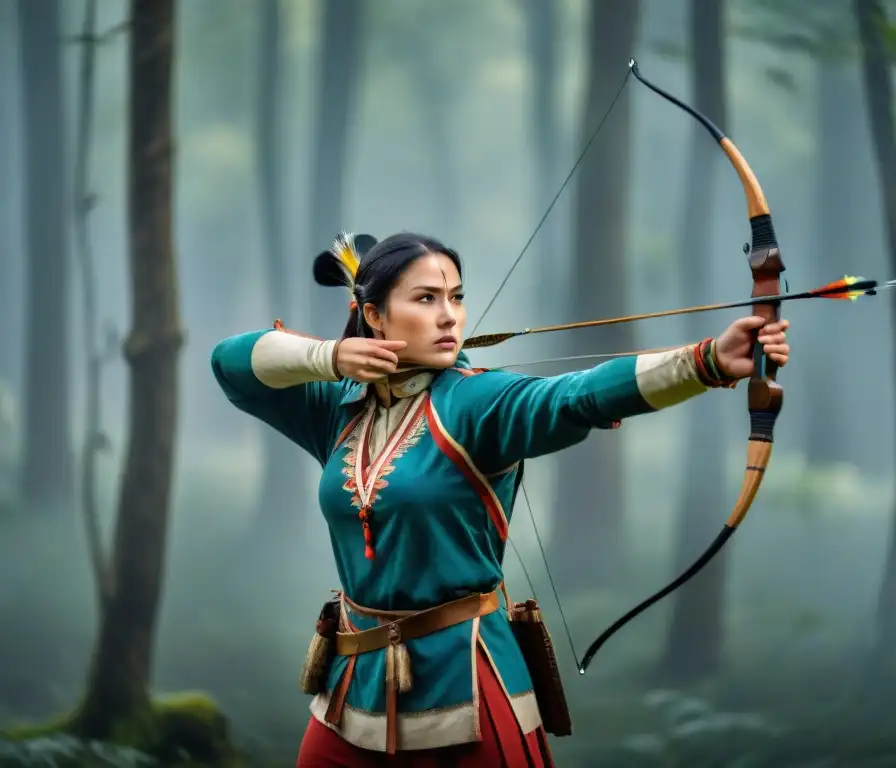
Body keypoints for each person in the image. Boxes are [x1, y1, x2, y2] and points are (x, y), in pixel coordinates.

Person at [210, 231, 791, 767]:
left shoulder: (478, 401)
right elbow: (231, 363)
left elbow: (576, 397)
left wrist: (709, 361)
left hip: (465, 685)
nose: (449, 316)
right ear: (372, 314)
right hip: (349, 685)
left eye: (456, 297)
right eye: (426, 298)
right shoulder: (336, 408)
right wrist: (332, 358)